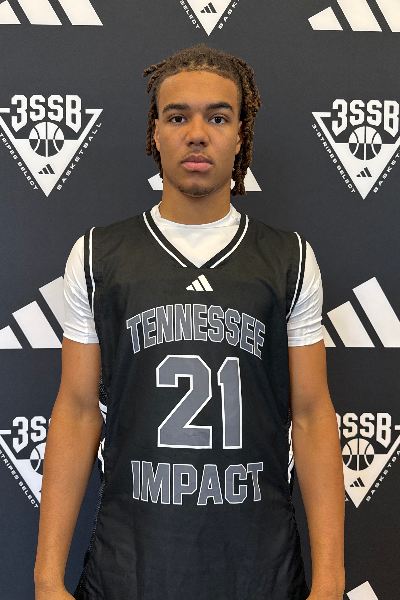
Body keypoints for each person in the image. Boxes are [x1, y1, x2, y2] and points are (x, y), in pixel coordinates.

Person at [34, 44, 345, 600]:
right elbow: (78, 411)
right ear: (155, 132)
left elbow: (312, 414)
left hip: (259, 566)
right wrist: (45, 577)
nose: (197, 134)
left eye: (218, 118)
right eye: (178, 117)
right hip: (132, 563)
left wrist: (331, 580)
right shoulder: (98, 255)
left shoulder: (289, 258)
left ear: (241, 135)